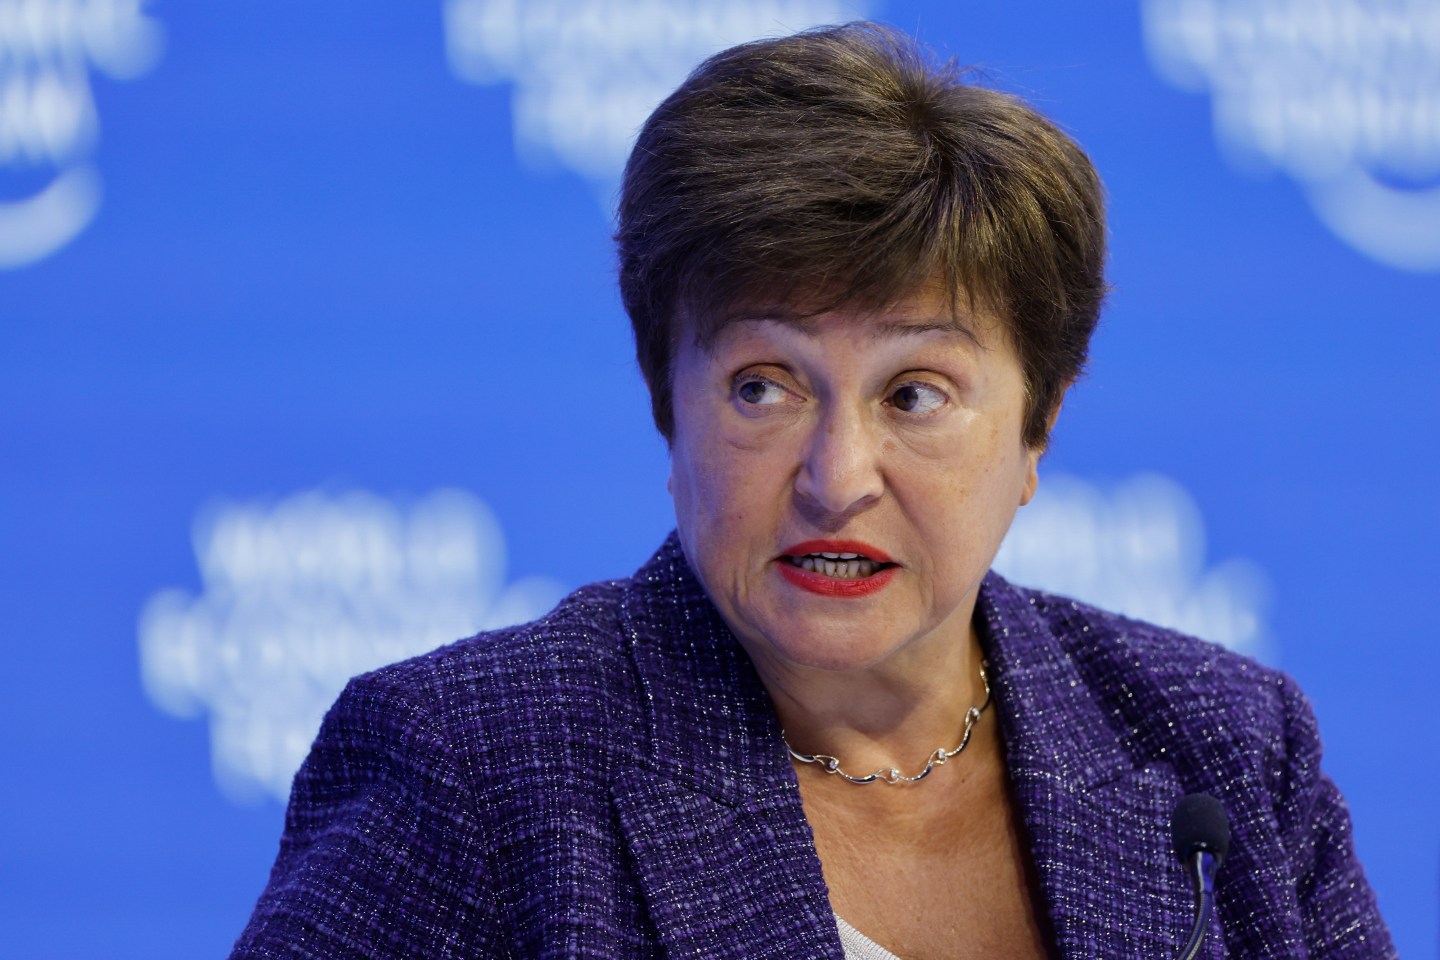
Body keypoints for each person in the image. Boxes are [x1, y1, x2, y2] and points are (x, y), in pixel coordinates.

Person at [230, 22, 1394, 960]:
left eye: (916, 394)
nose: (837, 480)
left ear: (1038, 425)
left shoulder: (1223, 747)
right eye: (764, 388)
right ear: (668, 406)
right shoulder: (476, 766)